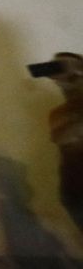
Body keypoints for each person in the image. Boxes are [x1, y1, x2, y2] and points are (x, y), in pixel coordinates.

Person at [36, 52, 83, 231]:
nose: (63, 85)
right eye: (58, 80)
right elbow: (65, 138)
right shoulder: (59, 114)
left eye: (72, 79)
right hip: (75, 193)